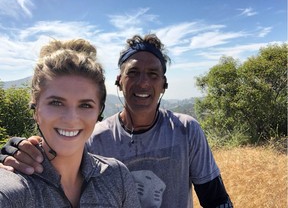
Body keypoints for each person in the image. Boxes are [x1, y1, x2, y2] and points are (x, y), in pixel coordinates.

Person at [0, 34, 233, 207]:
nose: (143, 82)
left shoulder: (185, 130)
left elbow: (216, 199)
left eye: (153, 74)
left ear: (164, 85)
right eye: (133, 73)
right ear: (119, 81)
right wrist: (15, 151)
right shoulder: (94, 136)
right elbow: (59, 148)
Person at [0, 39, 141, 208]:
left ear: (99, 112)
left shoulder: (117, 177)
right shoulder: (13, 191)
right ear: (36, 109)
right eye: (56, 103)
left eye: (85, 105)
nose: (71, 118)